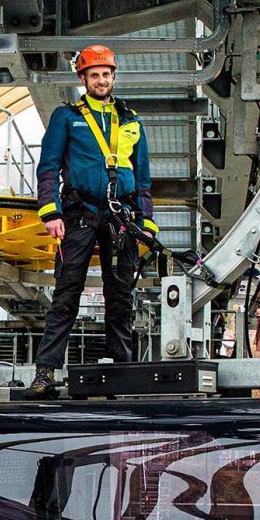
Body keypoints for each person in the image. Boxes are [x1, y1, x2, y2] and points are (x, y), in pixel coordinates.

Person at [23, 45, 158, 397]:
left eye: (106, 74)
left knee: (121, 297)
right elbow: (48, 167)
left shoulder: (131, 120)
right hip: (78, 213)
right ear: (83, 79)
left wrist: (147, 222)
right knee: (67, 293)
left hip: (122, 216)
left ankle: (122, 371)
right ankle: (46, 372)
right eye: (95, 75)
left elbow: (143, 177)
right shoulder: (66, 116)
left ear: (113, 77)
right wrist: (50, 212)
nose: (101, 80)